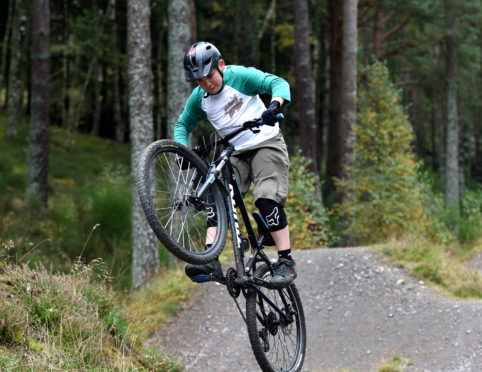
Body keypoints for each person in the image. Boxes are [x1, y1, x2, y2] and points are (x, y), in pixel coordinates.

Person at [174, 41, 296, 288]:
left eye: (210, 76)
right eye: (200, 80)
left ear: (221, 65)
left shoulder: (239, 77)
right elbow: (183, 125)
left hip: (265, 143)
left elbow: (277, 83)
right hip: (234, 152)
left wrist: (275, 105)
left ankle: (286, 260)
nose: (207, 83)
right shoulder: (200, 98)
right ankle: (209, 257)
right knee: (216, 196)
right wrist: (182, 150)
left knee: (266, 198)